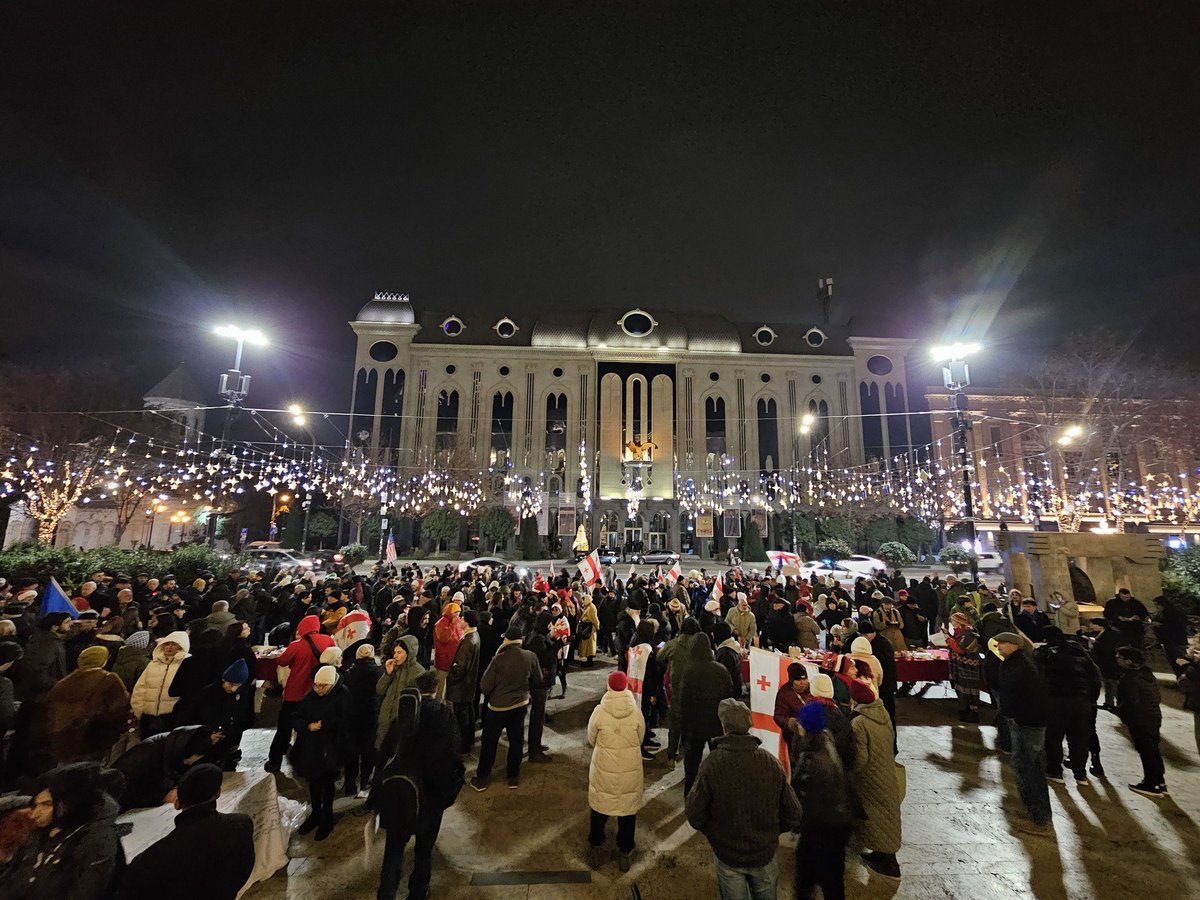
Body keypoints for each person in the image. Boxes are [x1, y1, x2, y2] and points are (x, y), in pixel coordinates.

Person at [685, 699, 802, 900]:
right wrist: (770, 832)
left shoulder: (712, 764)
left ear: (724, 727)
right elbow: (794, 812)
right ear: (749, 725)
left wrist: (715, 834)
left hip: (728, 856)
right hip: (763, 855)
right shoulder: (770, 762)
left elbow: (694, 813)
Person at [374, 669, 465, 900]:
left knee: (393, 849)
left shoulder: (402, 717)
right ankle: (418, 891)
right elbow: (450, 756)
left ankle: (386, 893)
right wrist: (447, 793)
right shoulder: (443, 717)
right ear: (436, 690)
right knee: (424, 850)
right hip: (429, 797)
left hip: (399, 796)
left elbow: (384, 756)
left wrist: (378, 796)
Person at [116, 763, 255, 900]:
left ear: (177, 803)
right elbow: (243, 870)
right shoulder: (241, 824)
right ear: (218, 792)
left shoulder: (153, 858)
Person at [6, 762, 125, 899]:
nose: (35, 814)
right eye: (36, 805)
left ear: (67, 803)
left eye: (46, 805)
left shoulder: (96, 843)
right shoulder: (44, 833)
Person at [790, 701, 854, 900]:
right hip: (835, 822)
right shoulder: (825, 741)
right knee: (819, 876)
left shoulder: (812, 757)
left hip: (824, 826)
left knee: (826, 878)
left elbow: (803, 792)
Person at [992, 631, 1053, 831]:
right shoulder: (1017, 663)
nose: (998, 647)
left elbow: (1021, 694)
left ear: (1014, 646)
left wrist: (1012, 714)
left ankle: (1038, 809)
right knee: (1027, 763)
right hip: (1025, 719)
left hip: (1028, 721)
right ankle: (1035, 806)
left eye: (1002, 644)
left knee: (1028, 765)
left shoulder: (1021, 666)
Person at [585, 671, 645, 872]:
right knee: (627, 812)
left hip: (604, 767)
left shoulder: (599, 712)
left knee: (600, 807)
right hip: (630, 768)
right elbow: (641, 737)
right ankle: (625, 852)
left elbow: (591, 738)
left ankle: (596, 844)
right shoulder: (636, 711)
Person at [471, 625, 541, 791]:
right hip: (520, 705)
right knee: (516, 741)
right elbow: (537, 679)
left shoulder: (498, 660)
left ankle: (482, 778)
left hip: (498, 708)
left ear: (507, 640)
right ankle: (513, 776)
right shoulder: (530, 656)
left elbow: (485, 686)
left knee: (489, 742)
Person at [848, 680, 903, 879]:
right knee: (887, 816)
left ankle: (890, 864)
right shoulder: (883, 715)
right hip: (886, 771)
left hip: (870, 777)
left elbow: (860, 757)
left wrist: (850, 770)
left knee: (877, 818)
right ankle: (880, 854)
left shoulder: (859, 722)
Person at [266, 614, 334, 771]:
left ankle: (274, 761)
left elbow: (282, 661)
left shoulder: (296, 645)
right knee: (310, 728)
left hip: (295, 692)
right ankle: (305, 760)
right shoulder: (328, 640)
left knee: (284, 728)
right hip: (316, 692)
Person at [1034, 626, 1101, 784]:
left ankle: (1055, 771)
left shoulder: (1043, 653)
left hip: (1056, 701)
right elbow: (1095, 676)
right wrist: (1090, 699)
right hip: (1082, 701)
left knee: (1054, 737)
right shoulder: (1079, 651)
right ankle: (1080, 774)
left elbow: (1038, 678)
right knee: (1079, 737)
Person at [45, 645, 130, 765]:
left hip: (64, 739)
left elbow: (50, 710)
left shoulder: (62, 683)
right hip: (95, 738)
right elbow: (118, 709)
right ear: (103, 660)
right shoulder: (109, 680)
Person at [291, 665, 348, 840]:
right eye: (316, 685)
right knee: (314, 783)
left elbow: (345, 721)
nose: (318, 689)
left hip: (330, 749)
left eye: (323, 686)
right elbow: (297, 717)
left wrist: (326, 725)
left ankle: (327, 818)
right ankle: (316, 814)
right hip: (310, 749)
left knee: (327, 784)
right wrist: (309, 726)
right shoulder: (311, 696)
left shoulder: (343, 696)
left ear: (331, 684)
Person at [113, 724, 223, 810]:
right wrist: (163, 795)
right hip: (119, 803)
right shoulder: (150, 754)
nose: (188, 764)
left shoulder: (174, 747)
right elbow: (135, 791)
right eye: (187, 761)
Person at [677, 633, 735, 794]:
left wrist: (683, 727)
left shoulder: (690, 672)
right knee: (718, 764)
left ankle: (690, 797)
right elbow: (729, 696)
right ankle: (718, 796)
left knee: (692, 766)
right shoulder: (721, 670)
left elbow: (684, 702)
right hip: (716, 723)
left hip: (694, 726)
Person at [175, 658, 254, 771]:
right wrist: (208, 737)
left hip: (223, 744)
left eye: (237, 685)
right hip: (204, 741)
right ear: (223, 680)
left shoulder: (240, 694)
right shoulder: (207, 694)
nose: (233, 688)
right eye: (230, 684)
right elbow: (197, 717)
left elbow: (241, 717)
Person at [1113, 646, 1167, 797]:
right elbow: (1157, 697)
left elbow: (1132, 701)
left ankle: (1150, 784)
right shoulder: (1147, 675)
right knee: (1153, 749)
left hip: (1139, 719)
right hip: (1154, 716)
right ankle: (1159, 781)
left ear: (1128, 661)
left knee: (1146, 751)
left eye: (1119, 657)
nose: (1117, 660)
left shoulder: (1129, 678)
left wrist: (1120, 712)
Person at [656, 617, 710, 765]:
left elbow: (659, 657)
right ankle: (690, 756)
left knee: (675, 723)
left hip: (678, 688)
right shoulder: (701, 646)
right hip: (698, 691)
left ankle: (671, 756)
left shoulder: (673, 644)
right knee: (693, 722)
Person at [130, 631, 190, 739]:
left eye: (174, 644)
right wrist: (138, 711)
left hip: (171, 717)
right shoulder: (152, 665)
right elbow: (140, 689)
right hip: (148, 717)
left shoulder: (187, 664)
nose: (169, 647)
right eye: (167, 644)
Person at [376, 634, 427, 749]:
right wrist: (388, 674)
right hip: (385, 722)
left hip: (402, 726)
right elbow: (379, 690)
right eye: (395, 652)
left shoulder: (418, 672)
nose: (395, 656)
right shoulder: (394, 668)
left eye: (399, 653)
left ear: (409, 653)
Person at [344, 644, 382, 799]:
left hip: (352, 715)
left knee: (351, 750)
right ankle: (365, 781)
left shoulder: (350, 672)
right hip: (371, 715)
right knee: (368, 751)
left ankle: (350, 784)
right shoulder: (379, 672)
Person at [445, 609, 481, 755]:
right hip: (469, 684)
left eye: (462, 618)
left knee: (461, 716)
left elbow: (460, 667)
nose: (459, 620)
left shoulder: (468, 641)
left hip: (462, 685)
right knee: (468, 712)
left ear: (466, 621)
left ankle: (463, 745)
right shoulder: (474, 635)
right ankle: (469, 740)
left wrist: (451, 678)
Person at [946, 612, 982, 722]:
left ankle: (972, 713)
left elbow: (960, 649)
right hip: (961, 666)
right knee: (962, 689)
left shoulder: (968, 634)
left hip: (968, 667)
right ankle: (964, 709)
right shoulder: (960, 632)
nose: (951, 623)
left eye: (953, 621)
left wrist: (948, 639)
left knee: (969, 690)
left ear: (959, 622)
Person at [1088, 617, 1124, 708]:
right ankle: (1109, 702)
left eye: (1093, 624)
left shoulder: (1111, 634)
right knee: (1107, 683)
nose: (1091, 626)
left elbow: (1108, 647)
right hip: (1103, 661)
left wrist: (1095, 643)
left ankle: (1122, 704)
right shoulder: (1099, 633)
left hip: (1110, 661)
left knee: (1112, 684)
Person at [432, 600, 463, 702]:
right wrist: (453, 625)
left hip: (453, 659)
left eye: (459, 612)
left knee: (450, 687)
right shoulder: (441, 623)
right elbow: (444, 639)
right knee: (440, 687)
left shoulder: (457, 622)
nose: (457, 615)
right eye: (455, 613)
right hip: (443, 659)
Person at [772, 663, 813, 734]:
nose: (802, 682)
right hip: (794, 734)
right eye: (798, 680)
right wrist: (794, 724)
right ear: (791, 681)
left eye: (804, 679)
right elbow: (779, 716)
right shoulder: (784, 693)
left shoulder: (813, 689)